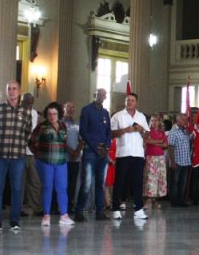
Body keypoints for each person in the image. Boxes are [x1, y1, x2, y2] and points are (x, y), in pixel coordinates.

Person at [0, 81, 33, 233]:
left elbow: (28, 132)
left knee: (17, 188)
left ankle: (15, 220)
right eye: (9, 89)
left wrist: (19, 145)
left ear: (19, 91)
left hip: (18, 156)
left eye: (14, 89)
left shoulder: (26, 112)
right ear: (6, 91)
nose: (12, 91)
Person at [30, 102, 75, 226]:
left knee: (62, 188)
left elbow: (64, 142)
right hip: (46, 162)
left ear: (59, 114)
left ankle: (64, 216)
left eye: (54, 114)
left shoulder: (63, 126)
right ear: (46, 115)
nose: (52, 116)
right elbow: (31, 142)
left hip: (61, 162)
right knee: (47, 188)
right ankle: (46, 216)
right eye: (49, 114)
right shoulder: (41, 127)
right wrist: (37, 154)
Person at [110, 92, 149, 220]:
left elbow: (147, 134)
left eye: (132, 100)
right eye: (128, 100)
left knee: (138, 182)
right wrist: (125, 130)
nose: (130, 102)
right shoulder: (117, 116)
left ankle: (138, 209)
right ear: (125, 102)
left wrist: (141, 130)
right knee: (120, 181)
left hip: (138, 153)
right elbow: (111, 133)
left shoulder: (141, 116)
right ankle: (116, 208)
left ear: (136, 103)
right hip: (123, 153)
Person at [76, 89, 111, 221]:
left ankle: (100, 212)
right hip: (90, 151)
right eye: (99, 95)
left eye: (104, 95)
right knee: (87, 182)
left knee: (101, 183)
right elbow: (83, 131)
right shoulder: (86, 110)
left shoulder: (105, 112)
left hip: (103, 152)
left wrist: (106, 147)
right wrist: (96, 148)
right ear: (94, 95)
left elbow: (109, 132)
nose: (102, 97)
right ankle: (79, 211)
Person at [21, 93, 41, 217]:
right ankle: (19, 208)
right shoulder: (17, 111)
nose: (29, 105)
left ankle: (34, 207)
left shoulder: (34, 113)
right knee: (20, 182)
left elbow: (34, 130)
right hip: (20, 152)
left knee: (34, 181)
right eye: (27, 102)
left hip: (32, 152)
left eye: (31, 103)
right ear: (23, 101)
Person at [61, 102, 82, 219]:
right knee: (63, 183)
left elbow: (81, 140)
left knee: (73, 183)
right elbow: (60, 140)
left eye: (72, 107)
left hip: (75, 158)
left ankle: (70, 205)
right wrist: (71, 152)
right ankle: (61, 205)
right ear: (63, 109)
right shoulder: (60, 123)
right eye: (68, 107)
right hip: (64, 158)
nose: (70, 109)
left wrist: (77, 152)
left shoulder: (77, 123)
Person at [168, 113, 193, 207]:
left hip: (185, 161)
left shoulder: (186, 131)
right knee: (175, 182)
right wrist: (172, 161)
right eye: (183, 120)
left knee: (183, 183)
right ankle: (174, 201)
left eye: (186, 120)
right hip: (177, 162)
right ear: (178, 120)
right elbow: (170, 147)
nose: (185, 121)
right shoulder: (173, 132)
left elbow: (188, 144)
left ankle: (181, 200)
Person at [144, 114, 169, 207]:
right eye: (152, 120)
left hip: (160, 157)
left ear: (159, 122)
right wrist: (159, 142)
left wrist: (155, 142)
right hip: (151, 157)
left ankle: (154, 199)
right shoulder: (148, 131)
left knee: (159, 178)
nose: (154, 122)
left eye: (155, 121)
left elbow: (165, 144)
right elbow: (147, 140)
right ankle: (149, 199)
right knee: (150, 178)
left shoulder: (162, 133)